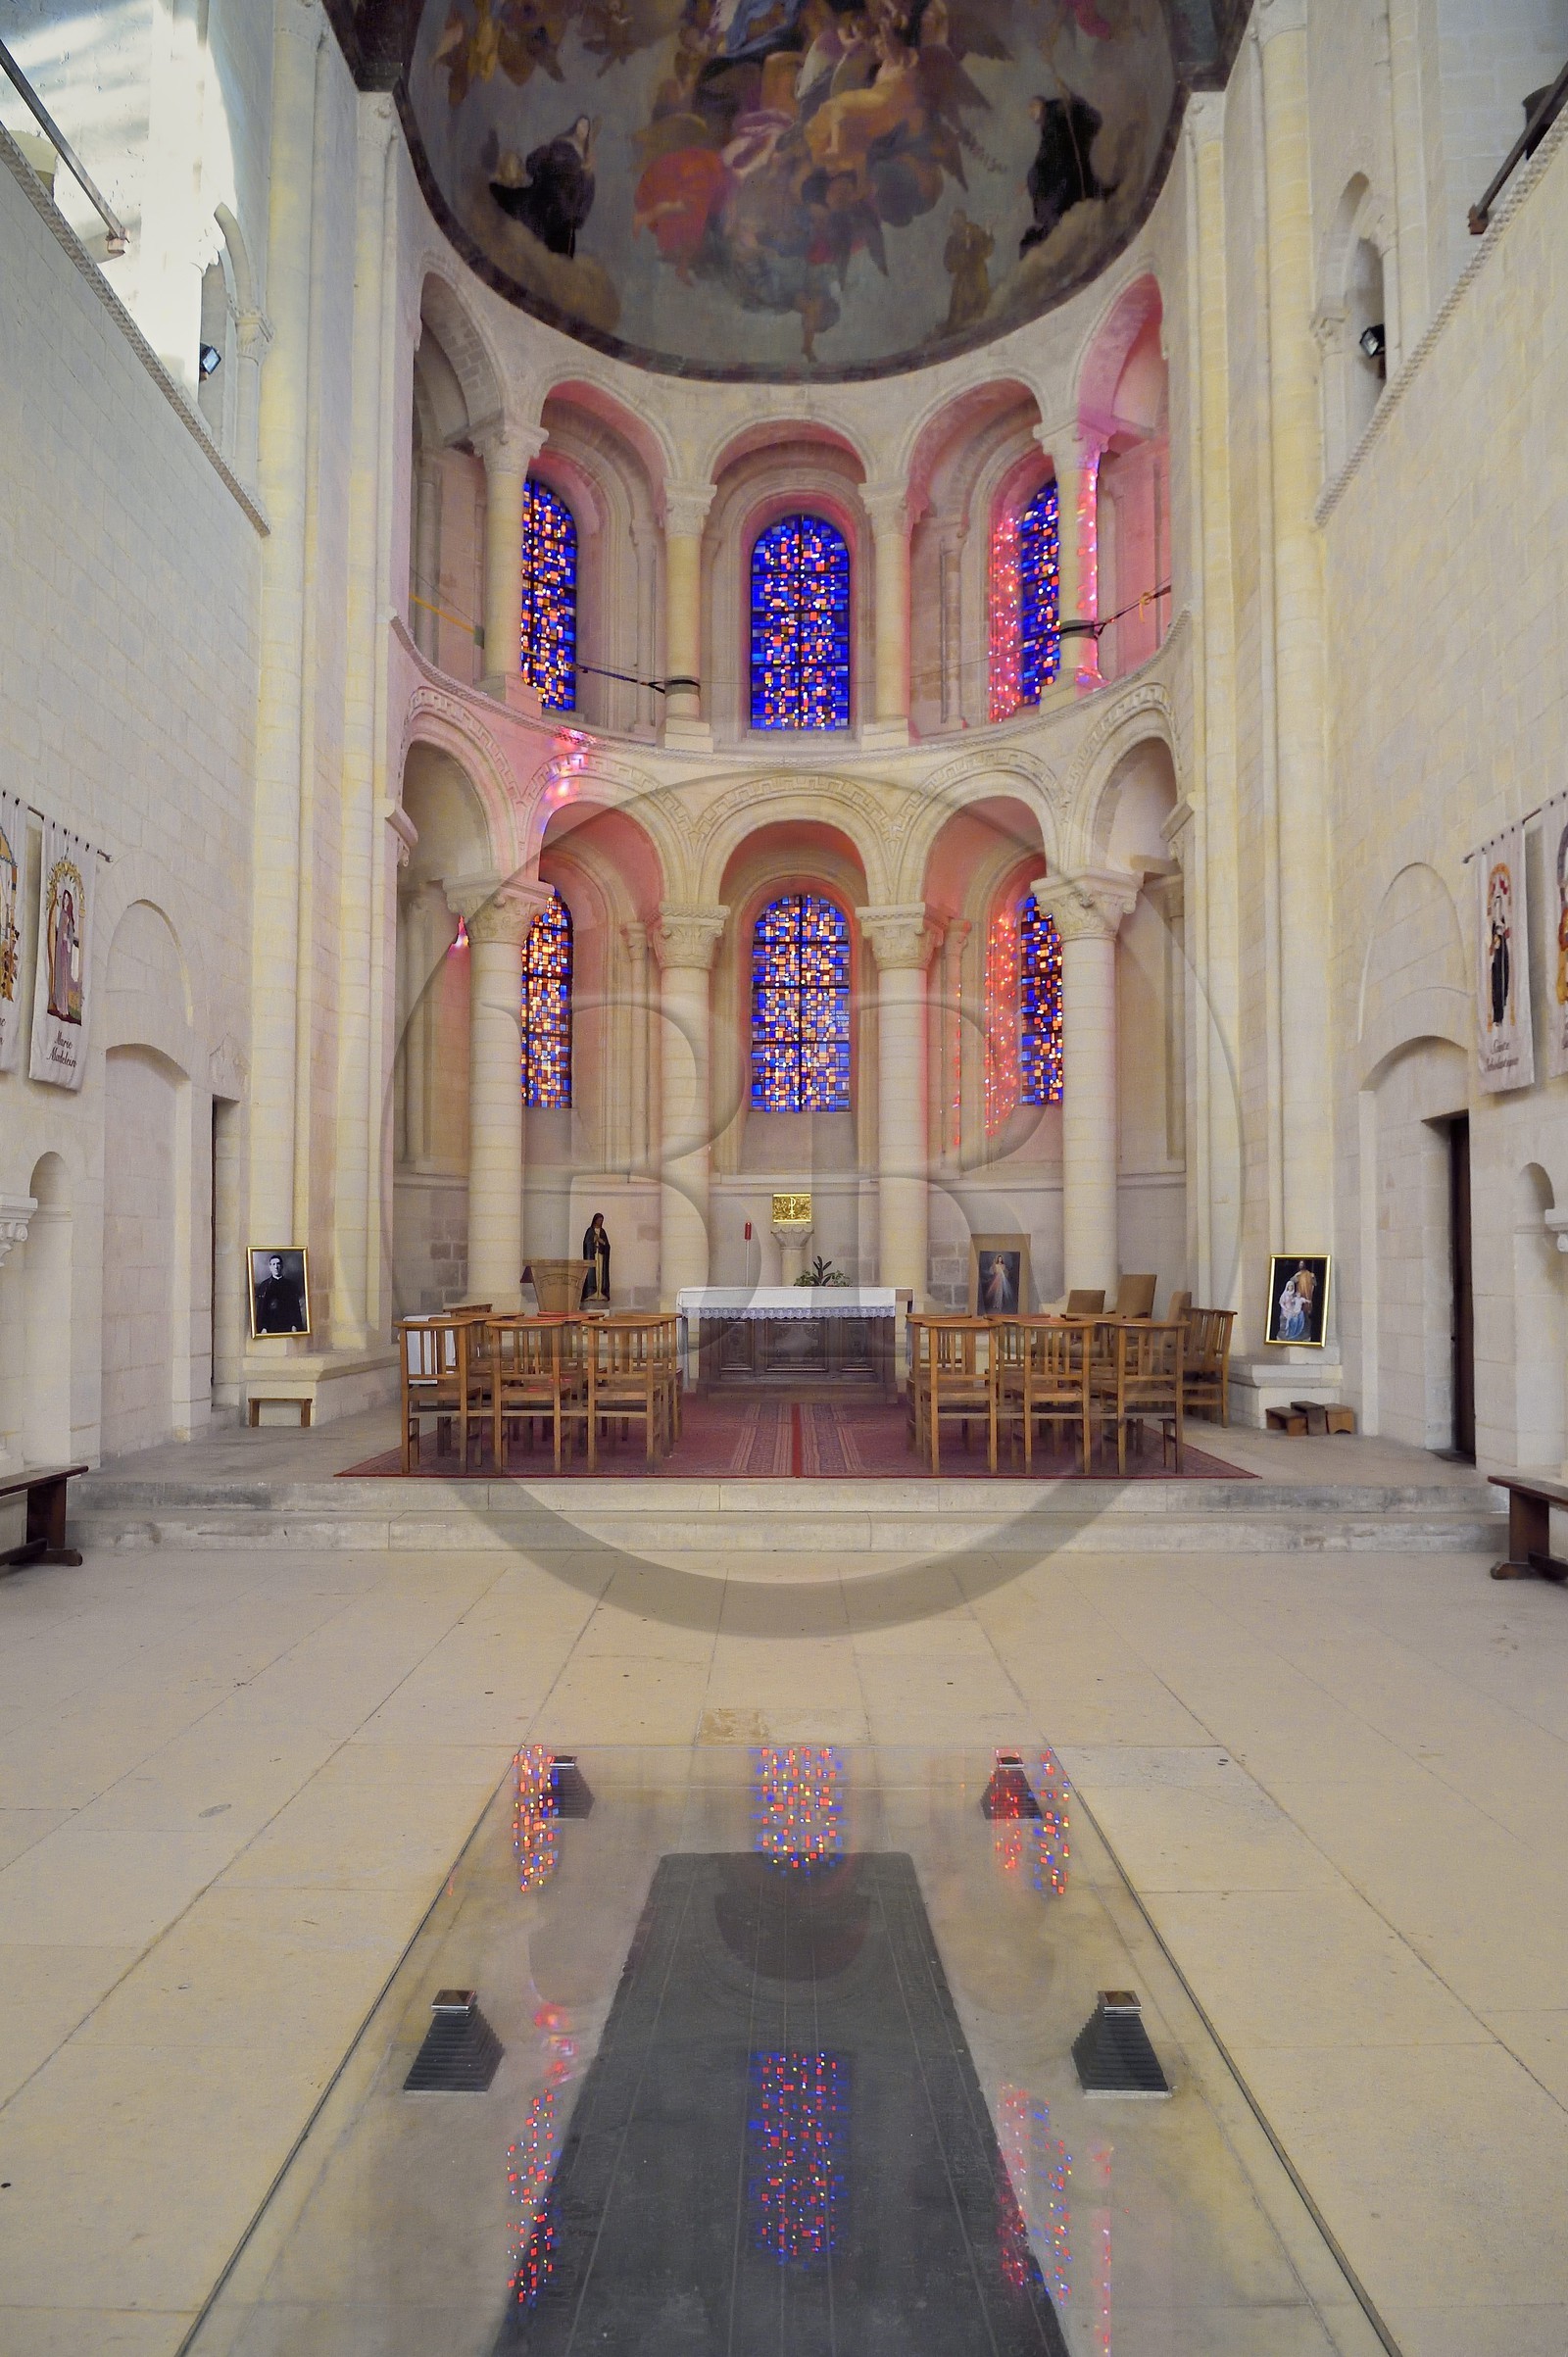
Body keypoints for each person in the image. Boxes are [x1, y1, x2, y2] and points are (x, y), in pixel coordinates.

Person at [1020, 81, 1115, 255]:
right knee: (1043, 180)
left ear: (1039, 105)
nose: (1032, 116)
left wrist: (1069, 97)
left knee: (1056, 185)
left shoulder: (1054, 110)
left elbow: (1073, 113)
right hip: (1064, 161)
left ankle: (1064, 216)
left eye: (1032, 110)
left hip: (1068, 157)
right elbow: (1047, 148)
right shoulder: (1047, 121)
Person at [491, 117, 598, 259]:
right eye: (580, 124)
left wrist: (578, 217)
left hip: (562, 213)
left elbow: (587, 192)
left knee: (557, 253)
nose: (581, 129)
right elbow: (534, 164)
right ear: (575, 126)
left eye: (585, 127)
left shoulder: (586, 168)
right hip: (543, 196)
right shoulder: (558, 145)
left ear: (588, 133)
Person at [254, 1252, 306, 1335]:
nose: (276, 1267)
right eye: (273, 1264)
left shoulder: (290, 1285)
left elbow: (294, 1307)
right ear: (270, 1267)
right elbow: (261, 1309)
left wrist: (294, 1325)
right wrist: (263, 1327)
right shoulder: (264, 1285)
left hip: (287, 1325)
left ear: (282, 1266)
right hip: (270, 1326)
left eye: (278, 1264)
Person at [581, 1212, 611, 1303]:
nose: (600, 1222)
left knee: (600, 1274)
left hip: (601, 1256)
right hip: (592, 1255)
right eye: (599, 1220)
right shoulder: (590, 1231)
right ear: (595, 1220)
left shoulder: (603, 1232)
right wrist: (593, 1240)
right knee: (592, 1274)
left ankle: (601, 1293)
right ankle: (591, 1293)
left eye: (601, 1220)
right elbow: (586, 1244)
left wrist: (601, 1241)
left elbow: (607, 1246)